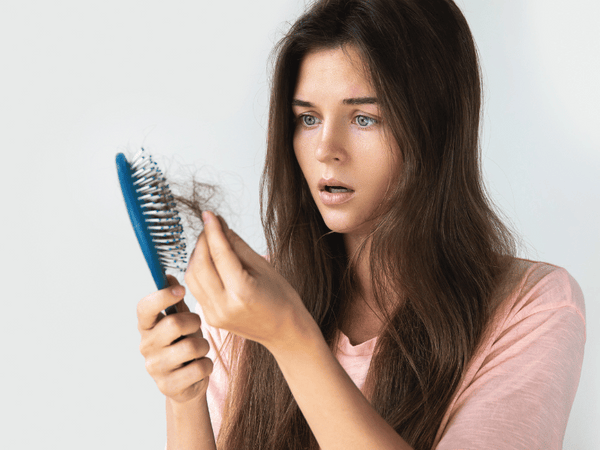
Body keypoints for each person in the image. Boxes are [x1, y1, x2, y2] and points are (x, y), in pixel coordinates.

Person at [136, 0, 586, 449]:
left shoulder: (533, 308)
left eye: (363, 118)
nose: (325, 149)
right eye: (308, 118)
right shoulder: (249, 305)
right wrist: (183, 398)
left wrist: (291, 337)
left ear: (434, 128)